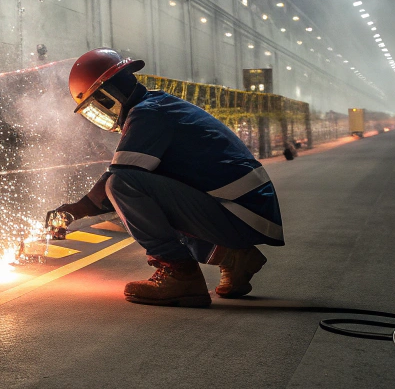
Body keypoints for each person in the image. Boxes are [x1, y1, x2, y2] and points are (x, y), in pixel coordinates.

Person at [49, 48, 284, 307]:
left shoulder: (148, 114)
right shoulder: (158, 106)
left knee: (123, 188)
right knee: (138, 195)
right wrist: (76, 211)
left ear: (108, 96)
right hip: (247, 209)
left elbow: (117, 180)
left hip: (241, 212)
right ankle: (234, 257)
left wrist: (73, 211)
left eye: (95, 106)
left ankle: (179, 273)